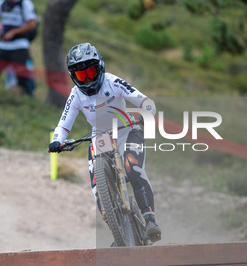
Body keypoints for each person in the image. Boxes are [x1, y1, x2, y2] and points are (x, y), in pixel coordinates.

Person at [48, 43, 162, 243]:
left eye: (91, 72)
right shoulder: (76, 94)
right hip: (99, 137)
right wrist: (57, 141)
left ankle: (149, 218)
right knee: (97, 190)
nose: (88, 79)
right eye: (82, 76)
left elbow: (144, 101)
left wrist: (147, 112)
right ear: (74, 77)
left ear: (100, 67)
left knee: (133, 168)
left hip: (127, 130)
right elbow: (64, 125)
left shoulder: (113, 82)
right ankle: (119, 233)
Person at [0, 0, 36, 96]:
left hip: (19, 45)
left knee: (23, 75)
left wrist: (14, 32)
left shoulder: (25, 3)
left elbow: (32, 24)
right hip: (4, 46)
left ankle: (28, 98)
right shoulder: (2, 2)